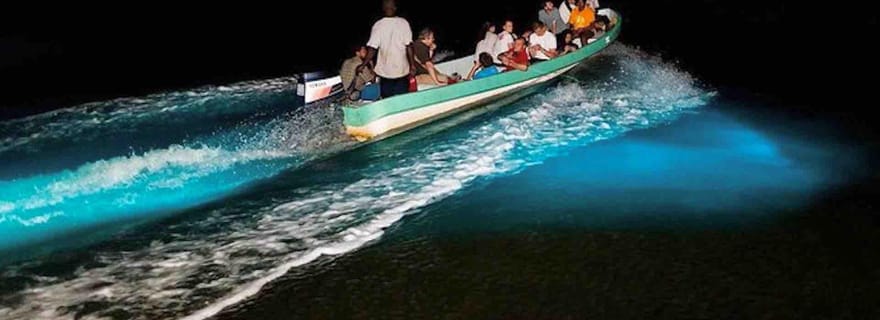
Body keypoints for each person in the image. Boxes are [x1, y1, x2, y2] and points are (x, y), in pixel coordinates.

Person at [364, 0, 413, 99]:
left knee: (396, 98)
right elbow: (372, 48)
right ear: (383, 9)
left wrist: (412, 65)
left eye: (390, 7)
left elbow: (409, 46)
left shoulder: (402, 23)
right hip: (388, 72)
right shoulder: (380, 25)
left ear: (395, 8)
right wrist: (364, 64)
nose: (389, 8)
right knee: (394, 99)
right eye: (387, 7)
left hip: (400, 71)